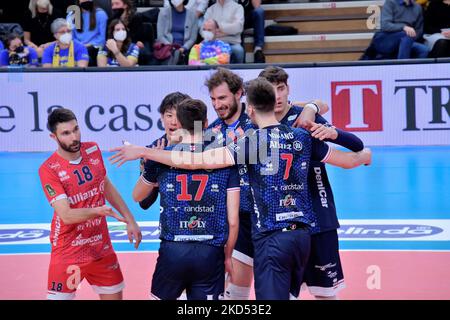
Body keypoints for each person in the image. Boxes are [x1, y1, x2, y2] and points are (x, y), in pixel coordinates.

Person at [109, 78, 372, 300]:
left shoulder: (251, 144)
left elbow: (194, 161)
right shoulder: (301, 135)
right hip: (302, 235)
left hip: (267, 236)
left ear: (250, 109)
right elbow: (353, 156)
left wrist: (146, 153)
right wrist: (347, 142)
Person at [259, 65, 364, 300]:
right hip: (276, 223)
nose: (277, 95)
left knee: (325, 294)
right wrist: (312, 104)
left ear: (288, 89)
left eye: (281, 88)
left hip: (317, 215)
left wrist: (316, 114)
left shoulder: (304, 118)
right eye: (270, 90)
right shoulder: (256, 121)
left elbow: (354, 143)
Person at [132, 98, 240, 300]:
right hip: (210, 252)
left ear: (179, 124)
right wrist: (227, 256)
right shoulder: (224, 159)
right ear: (206, 123)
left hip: (173, 251)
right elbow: (233, 221)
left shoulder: (160, 157)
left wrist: (152, 173)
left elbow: (137, 196)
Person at [38, 108, 142, 300]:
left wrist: (131, 220)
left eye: (76, 129)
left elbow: (106, 187)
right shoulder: (49, 169)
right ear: (54, 137)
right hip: (68, 252)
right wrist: (97, 211)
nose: (74, 137)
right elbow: (66, 215)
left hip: (100, 249)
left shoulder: (92, 149)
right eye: (66, 133)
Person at [138, 91, 191, 210]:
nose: (173, 122)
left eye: (179, 116)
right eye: (169, 115)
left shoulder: (201, 146)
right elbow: (144, 203)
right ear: (162, 117)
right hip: (170, 222)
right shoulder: (151, 151)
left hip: (202, 219)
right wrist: (152, 171)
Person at [155, 0, 199, 65]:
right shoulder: (163, 13)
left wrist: (184, 48)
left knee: (179, 56)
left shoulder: (192, 15)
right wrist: (171, 47)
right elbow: (160, 36)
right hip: (167, 47)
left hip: (184, 49)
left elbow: (192, 38)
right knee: (173, 56)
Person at [67, 0, 108, 66]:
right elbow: (70, 36)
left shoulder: (101, 14)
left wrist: (88, 45)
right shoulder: (72, 15)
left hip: (94, 49)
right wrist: (80, 45)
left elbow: (102, 38)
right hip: (76, 48)